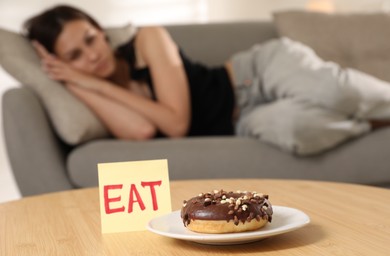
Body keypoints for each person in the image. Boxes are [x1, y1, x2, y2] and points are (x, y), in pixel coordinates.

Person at [24, 5, 390, 155]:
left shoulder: (148, 38)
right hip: (244, 124)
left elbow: (176, 121)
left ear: (101, 31)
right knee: (294, 128)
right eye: (74, 57)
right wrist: (76, 83)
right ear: (62, 66)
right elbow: (141, 131)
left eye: (90, 39)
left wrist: (89, 80)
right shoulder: (93, 91)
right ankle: (372, 123)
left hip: (254, 77)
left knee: (332, 90)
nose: (91, 55)